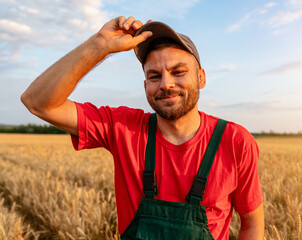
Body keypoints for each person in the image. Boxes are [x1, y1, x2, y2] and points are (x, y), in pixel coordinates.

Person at [21, 16, 264, 240]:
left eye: (178, 72)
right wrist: (100, 45)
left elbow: (252, 224)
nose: (166, 84)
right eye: (154, 76)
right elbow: (38, 102)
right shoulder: (122, 127)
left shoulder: (234, 140)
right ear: (145, 83)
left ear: (201, 77)